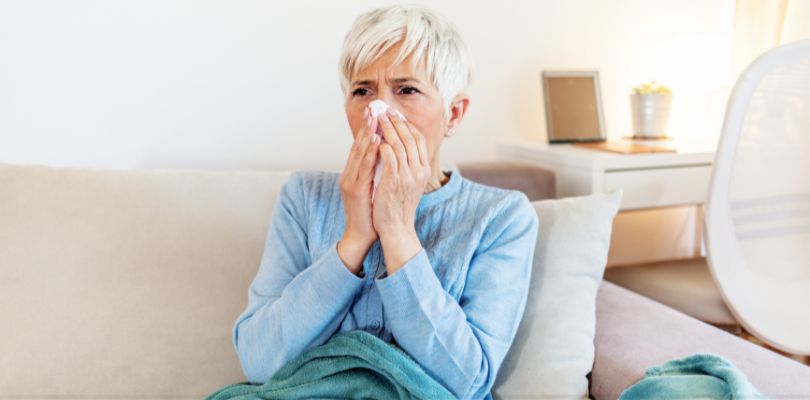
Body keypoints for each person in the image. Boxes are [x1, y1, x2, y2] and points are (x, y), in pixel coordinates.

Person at [232, 5, 538, 399]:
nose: (379, 111)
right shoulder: (303, 198)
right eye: (363, 91)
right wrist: (354, 238)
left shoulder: (501, 218)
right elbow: (259, 361)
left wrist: (397, 232)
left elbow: (468, 381)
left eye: (407, 90)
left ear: (454, 115)